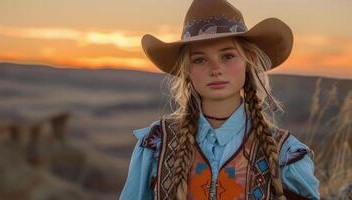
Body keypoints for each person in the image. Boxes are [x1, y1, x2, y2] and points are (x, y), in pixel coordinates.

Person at [120, 0, 320, 199]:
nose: (216, 69)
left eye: (228, 56)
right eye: (200, 59)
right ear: (187, 70)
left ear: (248, 60)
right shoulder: (157, 144)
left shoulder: (285, 153)